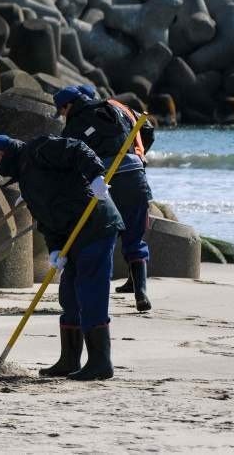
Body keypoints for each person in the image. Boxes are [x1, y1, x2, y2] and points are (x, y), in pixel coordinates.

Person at [0, 133, 125, 381]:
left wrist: (95, 175)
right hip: (71, 236)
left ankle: (101, 362)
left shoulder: (39, 149)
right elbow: (46, 221)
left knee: (90, 291)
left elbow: (78, 148)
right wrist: (55, 248)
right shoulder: (26, 181)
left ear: (1, 155)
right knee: (69, 295)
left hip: (97, 223)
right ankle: (69, 360)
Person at [54, 86, 154, 312]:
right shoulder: (117, 108)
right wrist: (136, 154)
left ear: (68, 106)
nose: (62, 116)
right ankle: (140, 291)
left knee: (103, 235)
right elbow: (147, 130)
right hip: (135, 174)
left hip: (104, 183)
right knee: (134, 235)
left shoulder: (74, 125)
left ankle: (98, 296)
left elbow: (69, 160)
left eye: (62, 111)